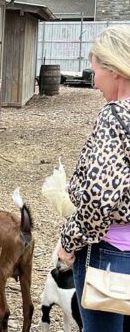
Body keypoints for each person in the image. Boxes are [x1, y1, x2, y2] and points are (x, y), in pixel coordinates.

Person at [58, 25, 130, 330]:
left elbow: (99, 198)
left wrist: (69, 240)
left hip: (109, 255)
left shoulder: (114, 116)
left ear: (114, 69)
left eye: (95, 69)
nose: (94, 79)